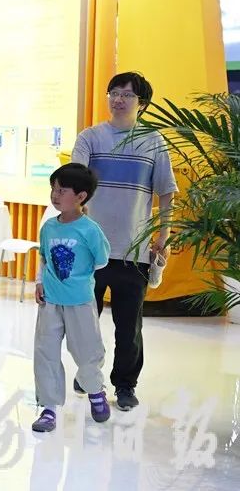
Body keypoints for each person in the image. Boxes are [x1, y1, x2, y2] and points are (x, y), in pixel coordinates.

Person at [71, 72, 177, 411]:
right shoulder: (90, 138)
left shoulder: (154, 142)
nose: (118, 100)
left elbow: (167, 193)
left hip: (134, 250)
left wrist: (163, 237)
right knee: (84, 321)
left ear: (141, 104)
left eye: (127, 95)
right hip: (90, 250)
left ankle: (126, 385)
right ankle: (88, 372)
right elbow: (74, 182)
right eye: (114, 93)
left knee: (129, 327)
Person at [31, 163, 112, 433]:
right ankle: (48, 408)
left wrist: (77, 277)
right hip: (50, 302)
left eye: (61, 190)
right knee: (45, 353)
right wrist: (40, 282)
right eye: (53, 189)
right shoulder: (48, 228)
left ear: (81, 196)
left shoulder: (90, 230)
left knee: (87, 351)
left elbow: (101, 261)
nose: (55, 195)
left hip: (80, 302)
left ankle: (95, 390)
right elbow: (44, 258)